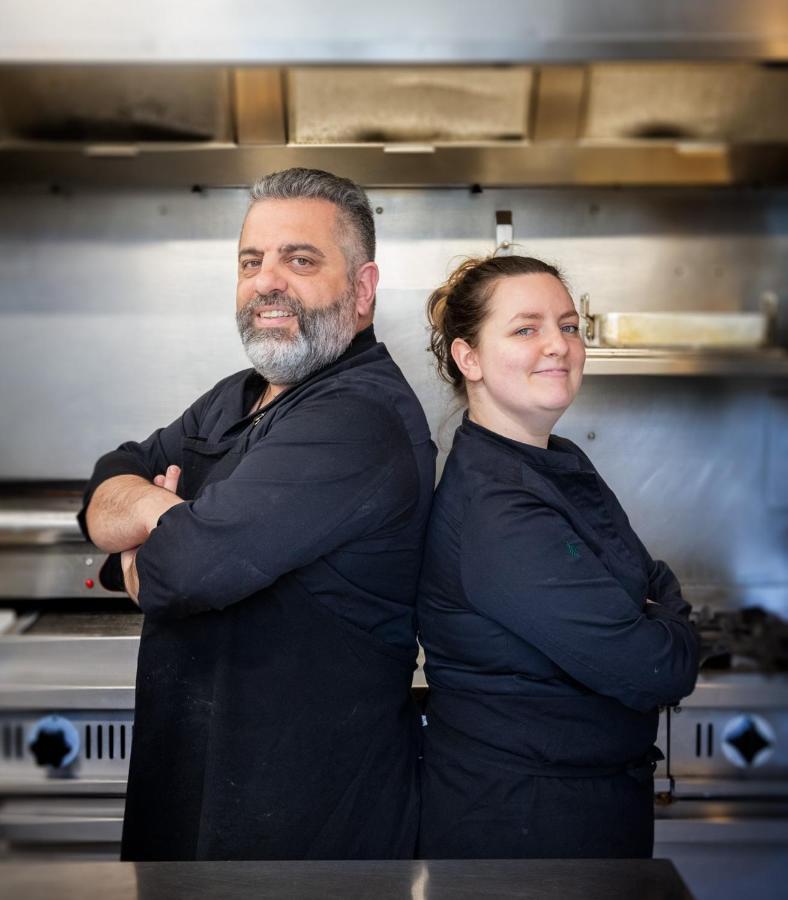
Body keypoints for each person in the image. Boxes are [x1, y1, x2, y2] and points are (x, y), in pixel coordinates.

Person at [78, 168, 436, 861]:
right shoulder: (236, 396)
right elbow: (102, 484)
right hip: (196, 802)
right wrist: (163, 512)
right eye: (252, 262)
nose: (268, 281)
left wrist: (150, 546)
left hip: (309, 834)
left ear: (362, 291)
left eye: (300, 260)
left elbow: (180, 572)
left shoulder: (360, 418)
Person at [416, 255, 699, 859]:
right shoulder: (496, 508)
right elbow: (657, 669)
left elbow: (649, 579)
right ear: (469, 359)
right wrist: (668, 621)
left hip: (582, 805)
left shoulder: (553, 458)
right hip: (524, 824)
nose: (558, 346)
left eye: (568, 326)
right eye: (526, 329)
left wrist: (652, 609)